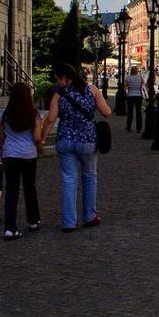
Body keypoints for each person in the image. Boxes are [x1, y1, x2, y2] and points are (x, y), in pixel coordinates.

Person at [42, 64, 113, 232]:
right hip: (88, 141)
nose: (57, 82)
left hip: (65, 140)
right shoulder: (92, 90)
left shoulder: (59, 94)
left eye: (58, 78)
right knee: (89, 177)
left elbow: (50, 119)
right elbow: (106, 112)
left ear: (65, 78)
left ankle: (69, 222)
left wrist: (42, 140)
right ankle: (89, 216)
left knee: (69, 180)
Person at [1, 81, 43, 239]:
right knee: (29, 188)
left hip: (10, 155)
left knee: (11, 190)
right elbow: (37, 137)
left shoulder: (5, 114)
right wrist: (40, 149)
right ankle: (33, 220)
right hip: (28, 155)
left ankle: (10, 227)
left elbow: (2, 136)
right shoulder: (34, 114)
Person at [124, 66, 144, 132]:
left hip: (130, 95)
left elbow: (125, 87)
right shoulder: (140, 77)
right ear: (137, 71)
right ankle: (139, 128)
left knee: (130, 111)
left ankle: (128, 126)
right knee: (138, 112)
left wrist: (126, 94)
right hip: (139, 95)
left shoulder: (128, 77)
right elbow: (143, 85)